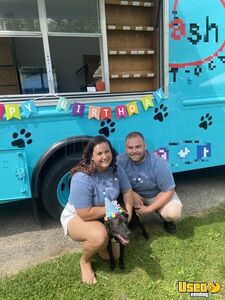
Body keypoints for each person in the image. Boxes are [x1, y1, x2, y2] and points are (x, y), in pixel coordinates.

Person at [60, 135, 133, 285]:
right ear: (91, 157)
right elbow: (84, 213)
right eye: (99, 153)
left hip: (106, 212)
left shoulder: (116, 170)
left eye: (107, 152)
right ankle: (85, 261)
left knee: (114, 256)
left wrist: (129, 213)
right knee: (99, 237)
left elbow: (127, 191)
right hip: (78, 215)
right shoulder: (82, 178)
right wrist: (115, 210)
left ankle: (101, 243)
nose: (104, 156)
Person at [117, 131, 182, 234]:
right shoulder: (119, 161)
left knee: (173, 213)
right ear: (125, 148)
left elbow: (169, 191)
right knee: (121, 213)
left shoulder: (158, 163)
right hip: (133, 195)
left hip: (156, 195)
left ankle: (166, 220)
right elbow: (113, 181)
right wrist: (131, 193)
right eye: (130, 148)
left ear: (145, 146)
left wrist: (149, 209)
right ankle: (133, 220)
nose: (134, 151)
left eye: (138, 147)